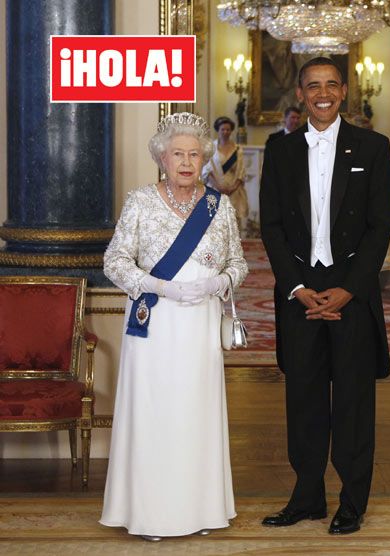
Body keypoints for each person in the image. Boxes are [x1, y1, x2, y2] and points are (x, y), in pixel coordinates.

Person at [259, 57, 390, 535]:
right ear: (300, 93)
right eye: (313, 85)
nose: (322, 93)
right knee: (304, 400)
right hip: (298, 292)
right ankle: (307, 496)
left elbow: (380, 228)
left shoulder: (373, 147)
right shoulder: (279, 150)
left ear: (344, 91)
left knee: (354, 402)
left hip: (351, 293)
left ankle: (352, 502)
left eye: (331, 85)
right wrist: (296, 288)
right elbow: (270, 226)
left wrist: (348, 289)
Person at [100, 112, 248, 541]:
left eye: (194, 154)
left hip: (200, 325)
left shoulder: (217, 208)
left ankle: (201, 510)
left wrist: (220, 281)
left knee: (194, 414)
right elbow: (114, 262)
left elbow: (238, 263)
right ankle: (152, 514)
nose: (186, 161)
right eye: (177, 154)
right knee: (156, 414)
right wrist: (159, 286)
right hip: (156, 324)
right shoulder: (141, 202)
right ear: (162, 158)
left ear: (204, 158)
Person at [203, 116, 249, 233]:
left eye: (228, 129)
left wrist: (232, 188)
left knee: (233, 224)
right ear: (217, 130)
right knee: (215, 224)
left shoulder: (237, 149)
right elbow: (207, 170)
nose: (225, 132)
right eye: (222, 129)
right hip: (215, 189)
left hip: (234, 191)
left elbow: (241, 171)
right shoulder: (210, 149)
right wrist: (219, 187)